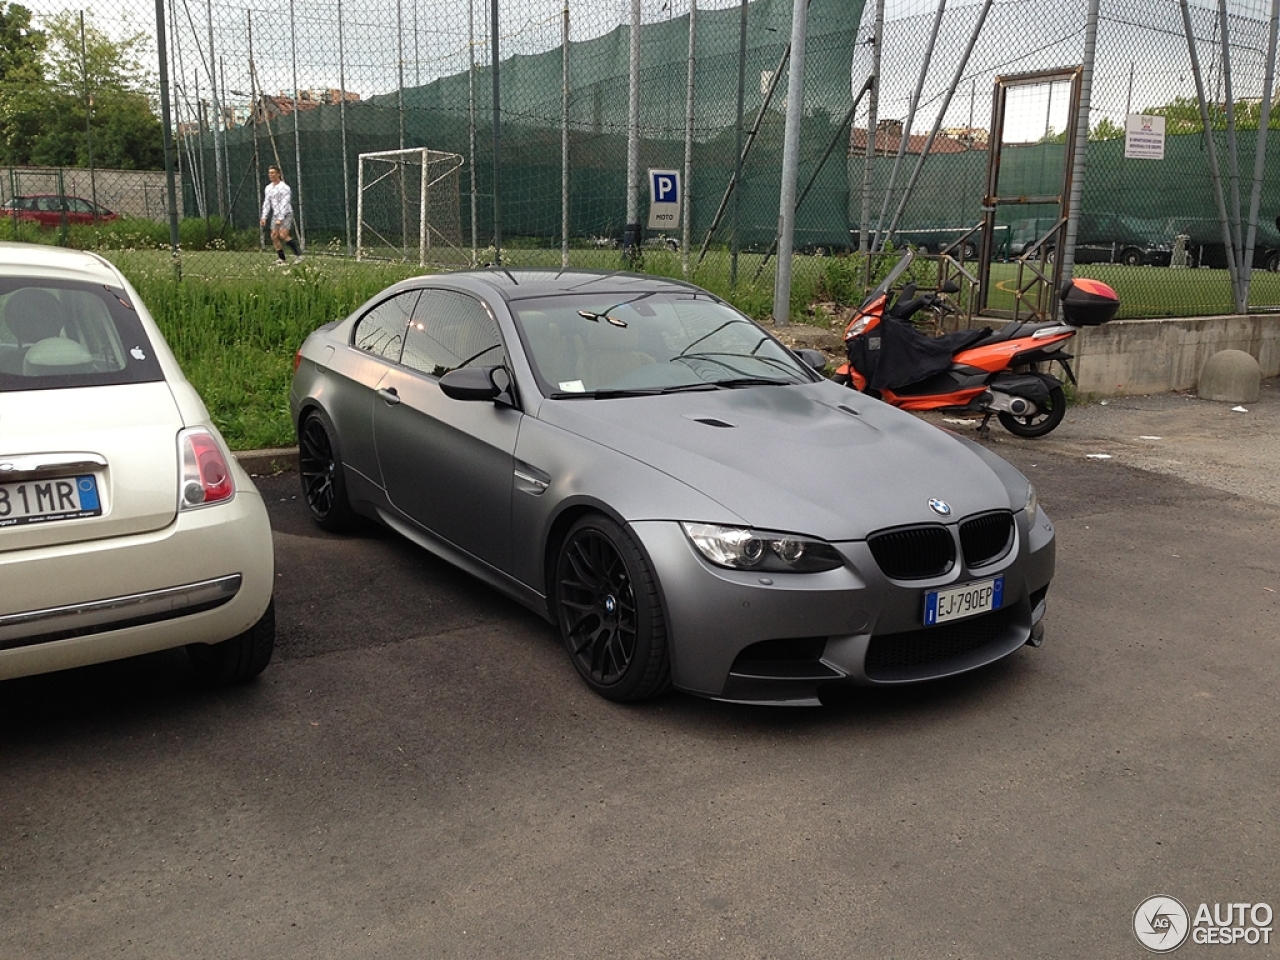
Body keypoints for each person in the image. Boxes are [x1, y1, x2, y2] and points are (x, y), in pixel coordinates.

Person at [260, 165, 303, 265]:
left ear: (278, 174)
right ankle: (282, 259)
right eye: (269, 173)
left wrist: (280, 218)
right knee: (274, 236)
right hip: (276, 214)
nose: (271, 175)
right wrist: (264, 217)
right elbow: (266, 203)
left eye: (273, 173)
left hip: (286, 213)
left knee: (283, 234)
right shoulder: (268, 188)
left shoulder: (285, 188)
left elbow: (285, 203)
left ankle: (299, 255)